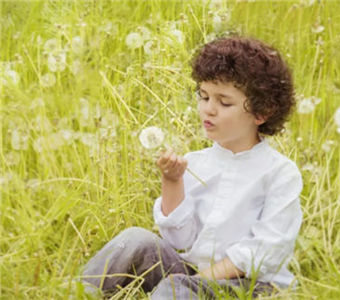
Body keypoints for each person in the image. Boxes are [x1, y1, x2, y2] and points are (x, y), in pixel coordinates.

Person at [81, 35, 303, 299]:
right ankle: (76, 293)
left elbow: (265, 251)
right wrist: (172, 181)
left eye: (224, 102)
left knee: (177, 288)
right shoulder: (197, 162)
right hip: (193, 277)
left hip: (252, 286)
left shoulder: (279, 173)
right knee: (136, 239)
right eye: (204, 96)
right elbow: (180, 242)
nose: (208, 109)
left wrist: (194, 280)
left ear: (261, 113)